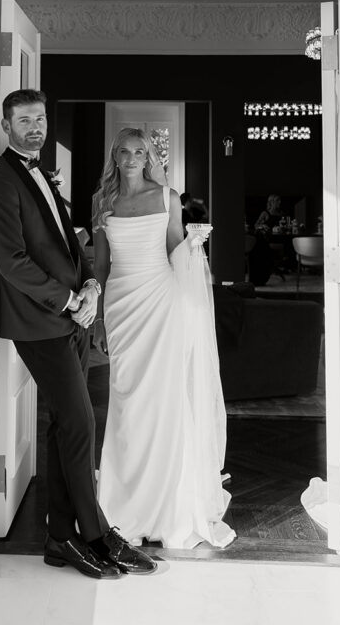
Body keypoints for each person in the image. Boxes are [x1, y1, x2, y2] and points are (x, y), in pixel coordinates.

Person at [0, 89, 157, 580]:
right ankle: (98, 535)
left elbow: (68, 240)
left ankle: (60, 539)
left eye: (40, 119)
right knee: (80, 422)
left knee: (64, 426)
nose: (35, 127)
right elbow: (11, 262)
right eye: (24, 120)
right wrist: (68, 300)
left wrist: (92, 285)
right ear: (5, 124)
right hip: (40, 321)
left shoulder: (44, 171)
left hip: (74, 316)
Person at [91, 128, 235, 549]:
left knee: (163, 404)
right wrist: (98, 317)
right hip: (121, 305)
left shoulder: (166, 197)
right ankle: (123, 505)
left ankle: (165, 506)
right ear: (115, 157)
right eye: (125, 151)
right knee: (126, 403)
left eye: (141, 151)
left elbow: (175, 251)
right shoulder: (102, 202)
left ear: (150, 156)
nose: (133, 157)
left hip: (162, 302)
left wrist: (193, 246)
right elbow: (100, 264)